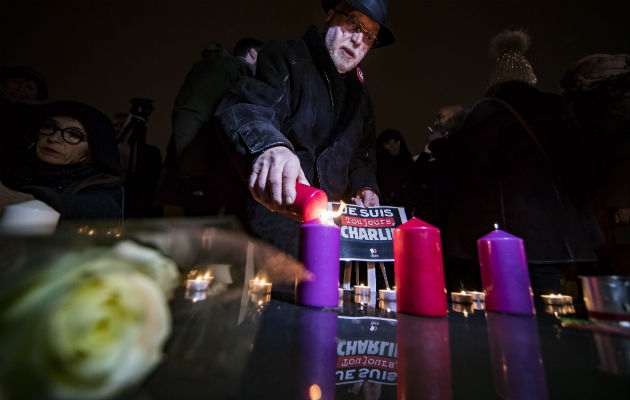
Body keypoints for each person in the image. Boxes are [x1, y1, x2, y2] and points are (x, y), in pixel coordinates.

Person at [215, 0, 395, 256]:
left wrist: (365, 187)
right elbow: (248, 107)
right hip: (275, 220)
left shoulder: (362, 98)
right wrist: (271, 146)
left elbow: (361, 156)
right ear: (331, 16)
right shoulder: (286, 56)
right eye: (353, 23)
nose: (358, 40)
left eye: (369, 35)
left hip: (330, 230)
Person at [432, 30, 601, 296]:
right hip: (552, 232)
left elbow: (468, 171)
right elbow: (578, 163)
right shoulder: (556, 106)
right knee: (550, 303)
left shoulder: (486, 111)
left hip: (503, 230)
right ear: (530, 76)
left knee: (507, 306)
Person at [160, 39, 263, 216]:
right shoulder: (234, 71)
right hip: (203, 163)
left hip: (188, 161)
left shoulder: (214, 68)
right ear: (253, 52)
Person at [1, 101, 123, 220]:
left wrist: (29, 200)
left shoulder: (99, 183)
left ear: (93, 150)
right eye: (49, 127)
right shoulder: (12, 167)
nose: (53, 138)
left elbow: (101, 208)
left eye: (74, 135)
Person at [375, 129, 413, 211]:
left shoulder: (407, 161)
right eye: (387, 143)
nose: (392, 146)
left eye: (395, 142)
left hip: (405, 206)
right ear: (382, 145)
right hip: (384, 206)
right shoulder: (379, 164)